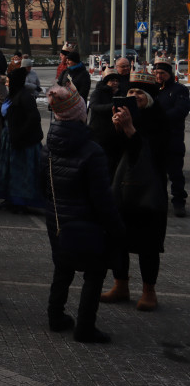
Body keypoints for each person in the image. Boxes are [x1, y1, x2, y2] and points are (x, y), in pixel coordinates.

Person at [42, 82, 125, 343]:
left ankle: (55, 317)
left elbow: (42, 186)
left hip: (57, 221)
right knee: (95, 273)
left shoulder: (49, 147)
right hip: (88, 223)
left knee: (62, 269)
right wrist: (117, 229)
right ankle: (85, 327)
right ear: (80, 114)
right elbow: (103, 198)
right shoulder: (92, 151)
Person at [99, 67, 170, 312]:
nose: (135, 95)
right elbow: (109, 149)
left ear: (149, 96)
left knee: (148, 243)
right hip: (120, 188)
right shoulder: (122, 113)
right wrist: (116, 128)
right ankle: (121, 284)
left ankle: (149, 291)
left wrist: (130, 130)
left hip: (148, 192)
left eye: (140, 91)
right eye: (131, 91)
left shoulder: (158, 118)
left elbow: (154, 155)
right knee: (118, 238)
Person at [0, 62, 44, 213]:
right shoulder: (13, 95)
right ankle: (10, 199)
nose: (7, 83)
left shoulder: (25, 97)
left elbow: (33, 118)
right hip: (10, 139)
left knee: (22, 173)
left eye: (9, 81)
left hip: (23, 142)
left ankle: (20, 202)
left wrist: (20, 135)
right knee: (9, 171)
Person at [152, 58, 190, 217]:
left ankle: (179, 201)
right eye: (156, 73)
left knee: (175, 174)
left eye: (162, 73)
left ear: (169, 74)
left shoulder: (179, 90)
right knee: (156, 173)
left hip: (173, 138)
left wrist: (159, 119)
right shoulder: (153, 89)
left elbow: (180, 111)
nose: (159, 76)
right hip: (155, 139)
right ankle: (158, 201)